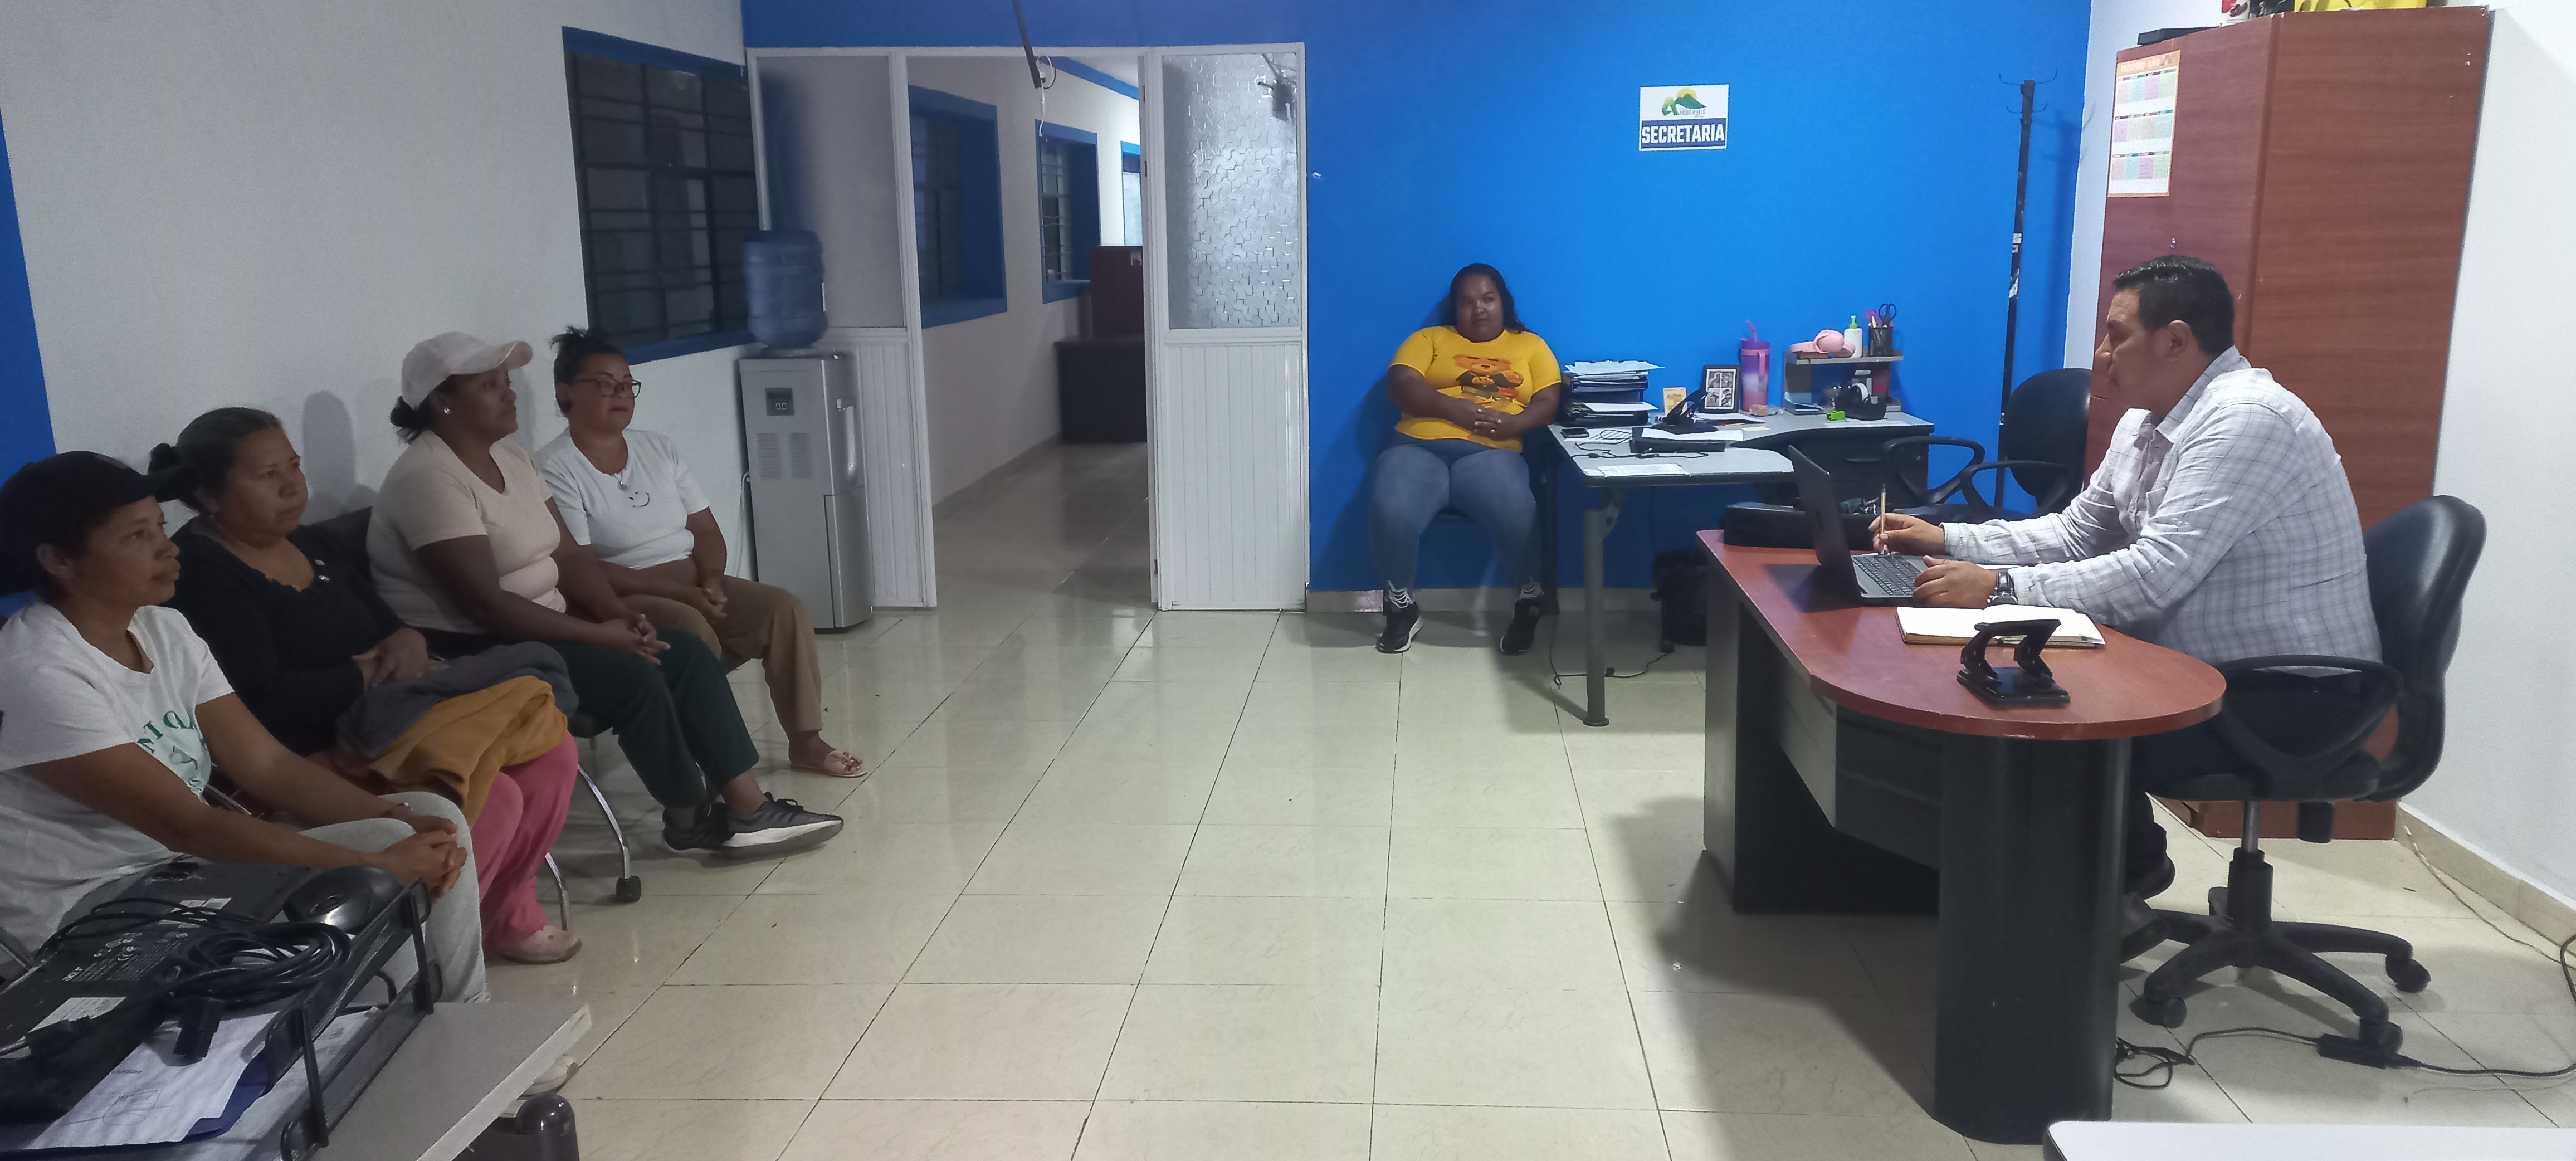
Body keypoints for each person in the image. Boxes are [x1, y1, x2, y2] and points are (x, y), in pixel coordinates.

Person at [1869, 256, 2380, 955]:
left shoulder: (2245, 420)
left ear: (2175, 340)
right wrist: (1952, 537)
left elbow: (2154, 575)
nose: (2101, 354)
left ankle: (2114, 887)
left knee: (2051, 721)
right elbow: (2078, 532)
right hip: (2208, 666)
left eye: (2116, 335)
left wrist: (1996, 588)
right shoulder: (2148, 421)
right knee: (2022, 691)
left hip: (2295, 690)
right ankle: (2115, 875)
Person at [0, 451, 485, 1001]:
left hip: (178, 869)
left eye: (160, 526)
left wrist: (397, 818)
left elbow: (268, 764)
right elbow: (190, 825)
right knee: (382, 870)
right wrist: (376, 865)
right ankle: (391, 1029)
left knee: (432, 820)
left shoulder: (163, 628)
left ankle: (462, 1013)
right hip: (88, 905)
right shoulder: (36, 670)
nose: (168, 547)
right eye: (137, 536)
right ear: (59, 560)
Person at [365, 331, 841, 859]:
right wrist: (598, 634)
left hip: (543, 626)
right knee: (637, 674)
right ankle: (690, 815)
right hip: (480, 648)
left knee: (679, 651)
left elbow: (570, 557)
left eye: (507, 381)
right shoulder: (429, 478)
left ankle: (748, 806)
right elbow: (487, 606)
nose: (510, 393)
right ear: (442, 401)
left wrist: (617, 615)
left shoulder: (512, 458)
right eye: (490, 386)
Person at [155, 407, 582, 964]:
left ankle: (504, 913)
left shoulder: (310, 542)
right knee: (491, 796)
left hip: (390, 723)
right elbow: (265, 701)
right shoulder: (203, 572)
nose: (292, 485)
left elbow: (387, 625)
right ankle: (429, 953)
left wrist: (404, 641)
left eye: (294, 466)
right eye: (267, 475)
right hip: (310, 755)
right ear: (209, 494)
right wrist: (363, 672)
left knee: (553, 753)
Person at [534, 328, 861, 779]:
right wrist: (684, 595)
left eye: (628, 384)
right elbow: (582, 567)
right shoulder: (554, 467)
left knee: (782, 609)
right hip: (621, 592)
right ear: (565, 393)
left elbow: (705, 529)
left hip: (691, 578)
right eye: (605, 384)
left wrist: (710, 579)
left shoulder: (657, 447)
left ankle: (806, 740)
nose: (622, 394)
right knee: (689, 626)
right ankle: (721, 757)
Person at [1372, 262, 1563, 655]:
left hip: (1492, 451)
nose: (1479, 309)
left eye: (1488, 299)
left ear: (1503, 303)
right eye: (1467, 302)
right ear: (1455, 308)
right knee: (1391, 504)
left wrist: (1516, 424)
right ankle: (1401, 607)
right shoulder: (1429, 339)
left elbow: (1549, 400)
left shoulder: (1531, 346)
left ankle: (1530, 598)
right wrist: (1453, 409)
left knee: (1517, 506)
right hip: (1417, 447)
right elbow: (1400, 385)